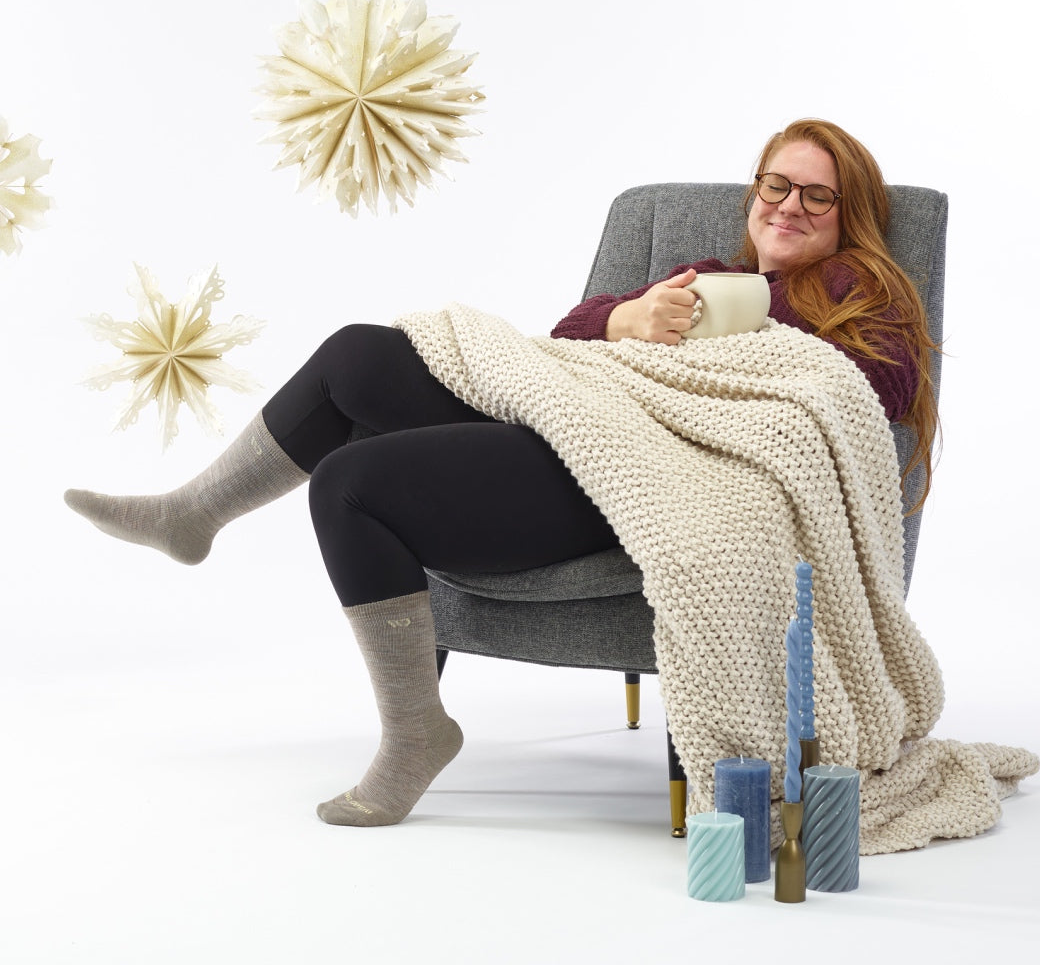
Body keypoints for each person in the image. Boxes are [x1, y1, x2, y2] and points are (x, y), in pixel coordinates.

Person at [64, 118, 939, 827]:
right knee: (356, 355)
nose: (788, 206)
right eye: (775, 185)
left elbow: (864, 403)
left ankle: (416, 733)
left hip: (643, 481)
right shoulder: (704, 277)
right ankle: (194, 511)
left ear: (848, 214)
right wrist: (632, 318)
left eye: (816, 195)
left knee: (350, 483)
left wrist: (748, 334)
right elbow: (568, 337)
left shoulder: (862, 295)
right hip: (575, 428)